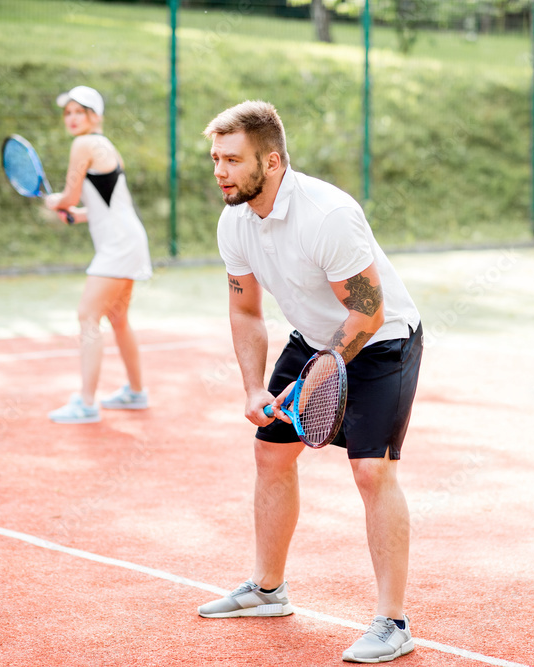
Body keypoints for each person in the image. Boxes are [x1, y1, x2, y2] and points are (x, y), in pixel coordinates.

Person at [197, 100, 423, 663]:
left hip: (383, 341)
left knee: (372, 472)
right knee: (271, 455)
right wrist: (253, 388)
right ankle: (268, 591)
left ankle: (392, 622)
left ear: (271, 161)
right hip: (315, 336)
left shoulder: (327, 215)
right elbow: (246, 312)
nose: (219, 171)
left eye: (231, 159)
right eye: (214, 158)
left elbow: (368, 311)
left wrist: (325, 370)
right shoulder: (235, 221)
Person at [43, 85, 152, 424]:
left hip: (119, 245)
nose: (73, 119)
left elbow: (69, 194)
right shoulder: (107, 147)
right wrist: (75, 213)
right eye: (68, 113)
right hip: (128, 239)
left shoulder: (84, 144)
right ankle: (136, 392)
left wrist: (57, 203)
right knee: (117, 319)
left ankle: (87, 404)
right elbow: (104, 206)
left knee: (87, 315)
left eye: (80, 112)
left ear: (95, 116)